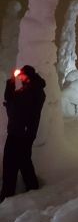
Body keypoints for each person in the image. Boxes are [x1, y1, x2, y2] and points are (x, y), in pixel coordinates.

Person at [0, 65, 46, 202]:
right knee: (22, 161)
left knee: (11, 162)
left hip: (20, 133)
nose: (20, 77)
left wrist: (11, 85)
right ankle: (30, 188)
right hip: (21, 132)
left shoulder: (33, 91)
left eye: (22, 75)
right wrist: (12, 82)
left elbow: (13, 101)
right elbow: (11, 99)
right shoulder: (30, 89)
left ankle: (8, 193)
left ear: (28, 76)